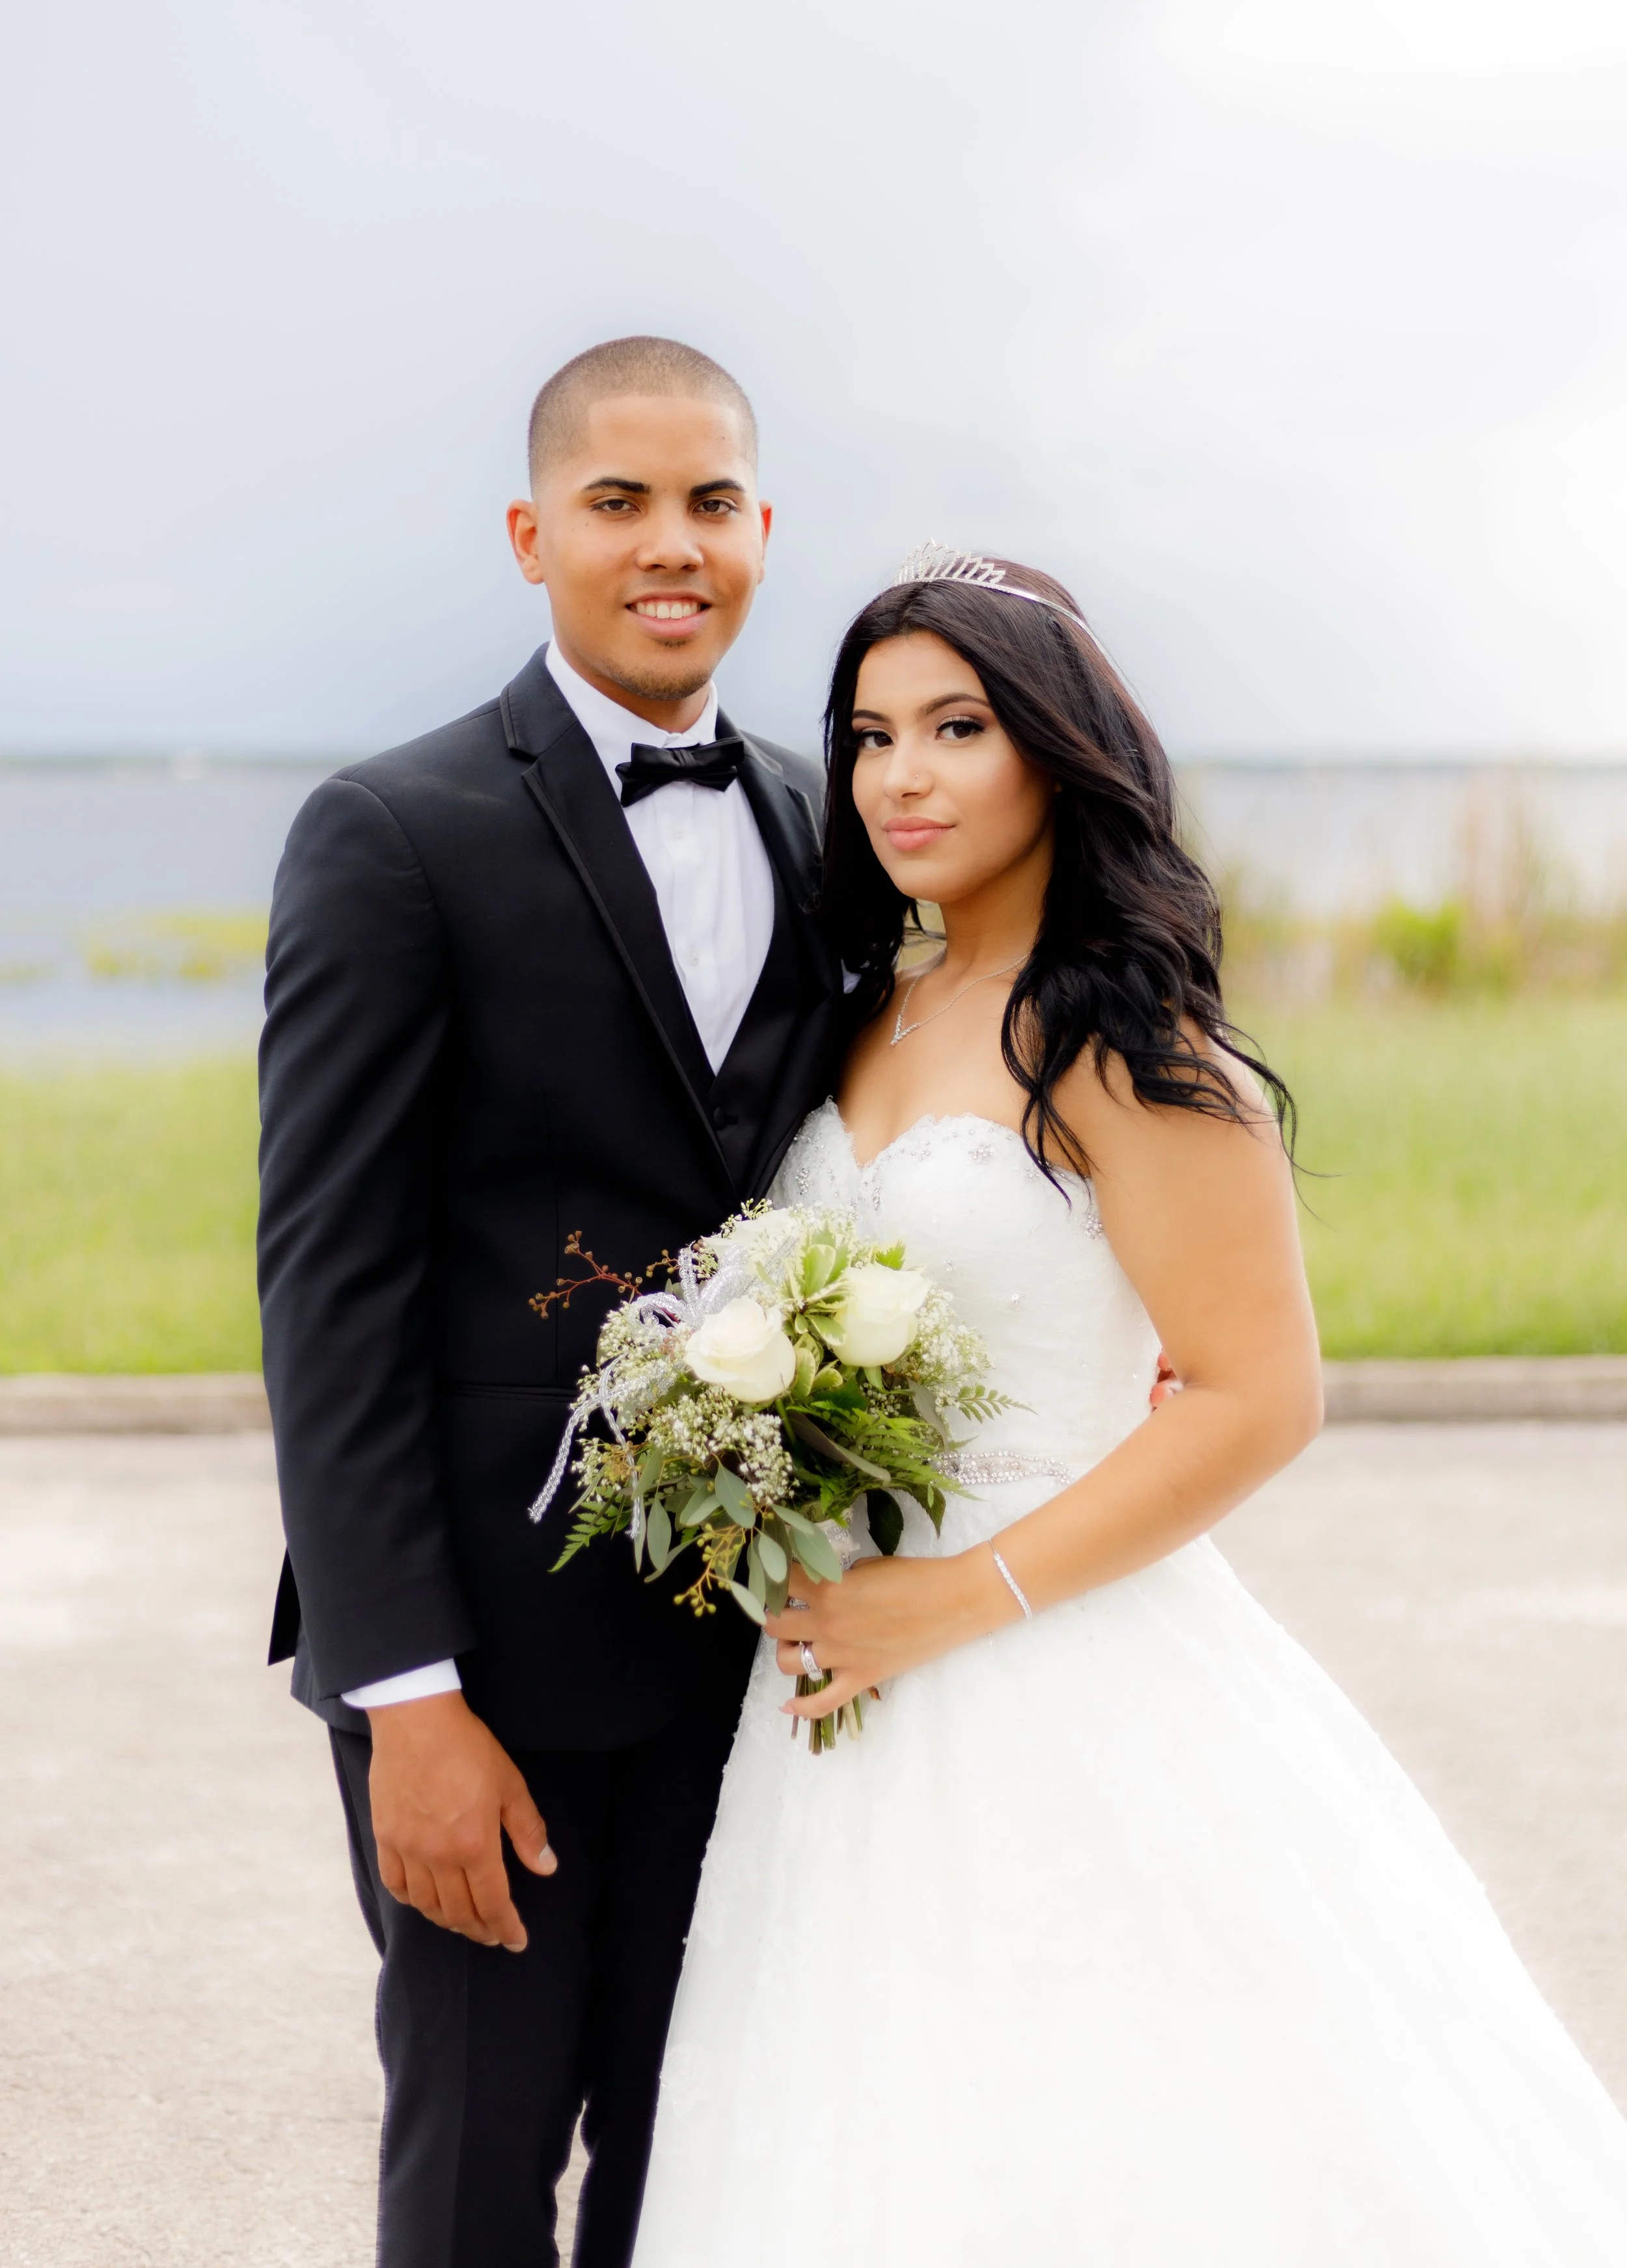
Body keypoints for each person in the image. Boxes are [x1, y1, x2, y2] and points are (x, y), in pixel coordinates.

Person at [631, 549, 1627, 2266]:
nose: (902, 776)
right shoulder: (861, 1015)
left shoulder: (1133, 1046)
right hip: (833, 1679)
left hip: (1053, 1653)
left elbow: (1257, 1394)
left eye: (957, 725)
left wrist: (952, 1594)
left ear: (1057, 749)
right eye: (870, 735)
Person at [257, 338, 841, 2268]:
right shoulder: (391, 830)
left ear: (761, 528)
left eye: (709, 501)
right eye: (618, 502)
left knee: (707, 2156)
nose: (669, 544)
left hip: (756, 1645)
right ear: (531, 534)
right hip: (485, 1661)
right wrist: (400, 1690)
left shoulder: (832, 824)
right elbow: (327, 1287)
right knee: (479, 2160)